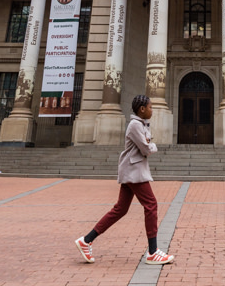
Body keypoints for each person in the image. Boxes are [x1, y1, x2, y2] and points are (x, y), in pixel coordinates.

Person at [75, 95, 175, 265]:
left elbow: (146, 143)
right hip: (134, 171)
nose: (152, 110)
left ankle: (86, 240)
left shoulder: (141, 124)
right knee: (151, 205)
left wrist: (148, 143)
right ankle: (152, 252)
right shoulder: (135, 125)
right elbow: (146, 148)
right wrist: (153, 145)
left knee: (120, 209)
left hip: (132, 170)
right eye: (150, 107)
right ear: (142, 109)